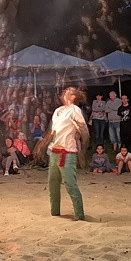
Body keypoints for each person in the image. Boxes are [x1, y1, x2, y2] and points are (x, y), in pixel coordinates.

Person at [47, 86, 89, 220]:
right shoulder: (58, 111)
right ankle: (55, 212)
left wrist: (83, 147)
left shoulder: (74, 110)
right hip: (55, 152)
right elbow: (54, 131)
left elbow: (83, 129)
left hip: (68, 153)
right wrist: (43, 144)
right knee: (53, 183)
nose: (64, 91)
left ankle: (80, 215)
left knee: (70, 184)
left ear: (73, 97)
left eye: (68, 91)